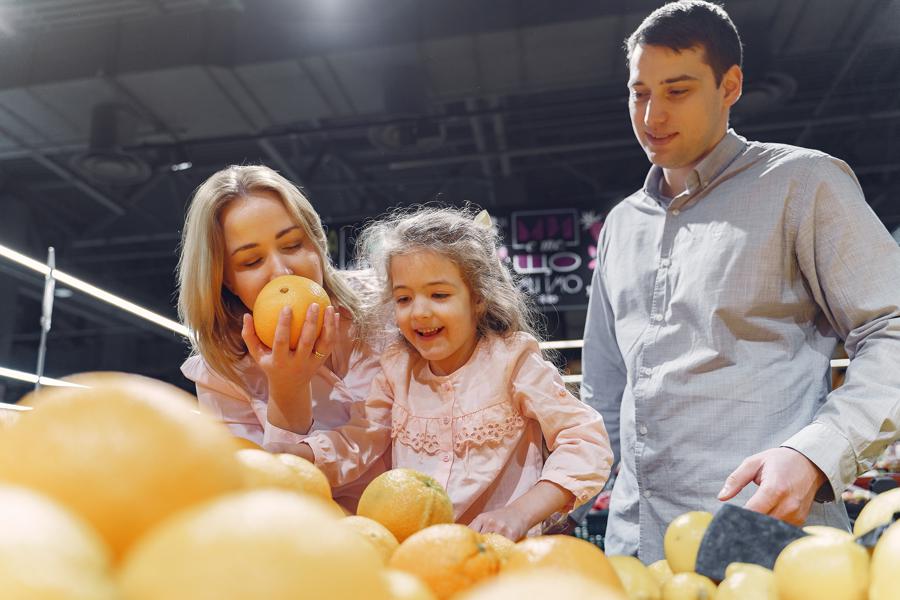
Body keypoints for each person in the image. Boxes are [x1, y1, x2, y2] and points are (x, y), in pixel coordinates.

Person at [581, 0, 900, 562]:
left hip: (767, 540)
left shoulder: (804, 184)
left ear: (729, 86)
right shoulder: (622, 224)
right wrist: (565, 502)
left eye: (676, 90)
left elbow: (892, 329)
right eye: (639, 92)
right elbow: (604, 392)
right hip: (631, 549)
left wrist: (815, 455)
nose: (651, 116)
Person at [295, 206, 613, 540]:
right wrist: (300, 455)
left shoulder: (513, 360)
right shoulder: (395, 369)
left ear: (478, 298)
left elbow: (586, 440)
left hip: (506, 558)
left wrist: (520, 512)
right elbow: (358, 440)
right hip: (423, 556)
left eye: (439, 295)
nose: (419, 311)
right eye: (404, 298)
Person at [177, 165, 388, 511]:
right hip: (325, 543)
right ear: (225, 280)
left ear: (317, 242)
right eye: (251, 261)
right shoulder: (222, 374)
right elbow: (263, 496)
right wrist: (287, 390)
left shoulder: (389, 303)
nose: (281, 271)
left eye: (293, 244)